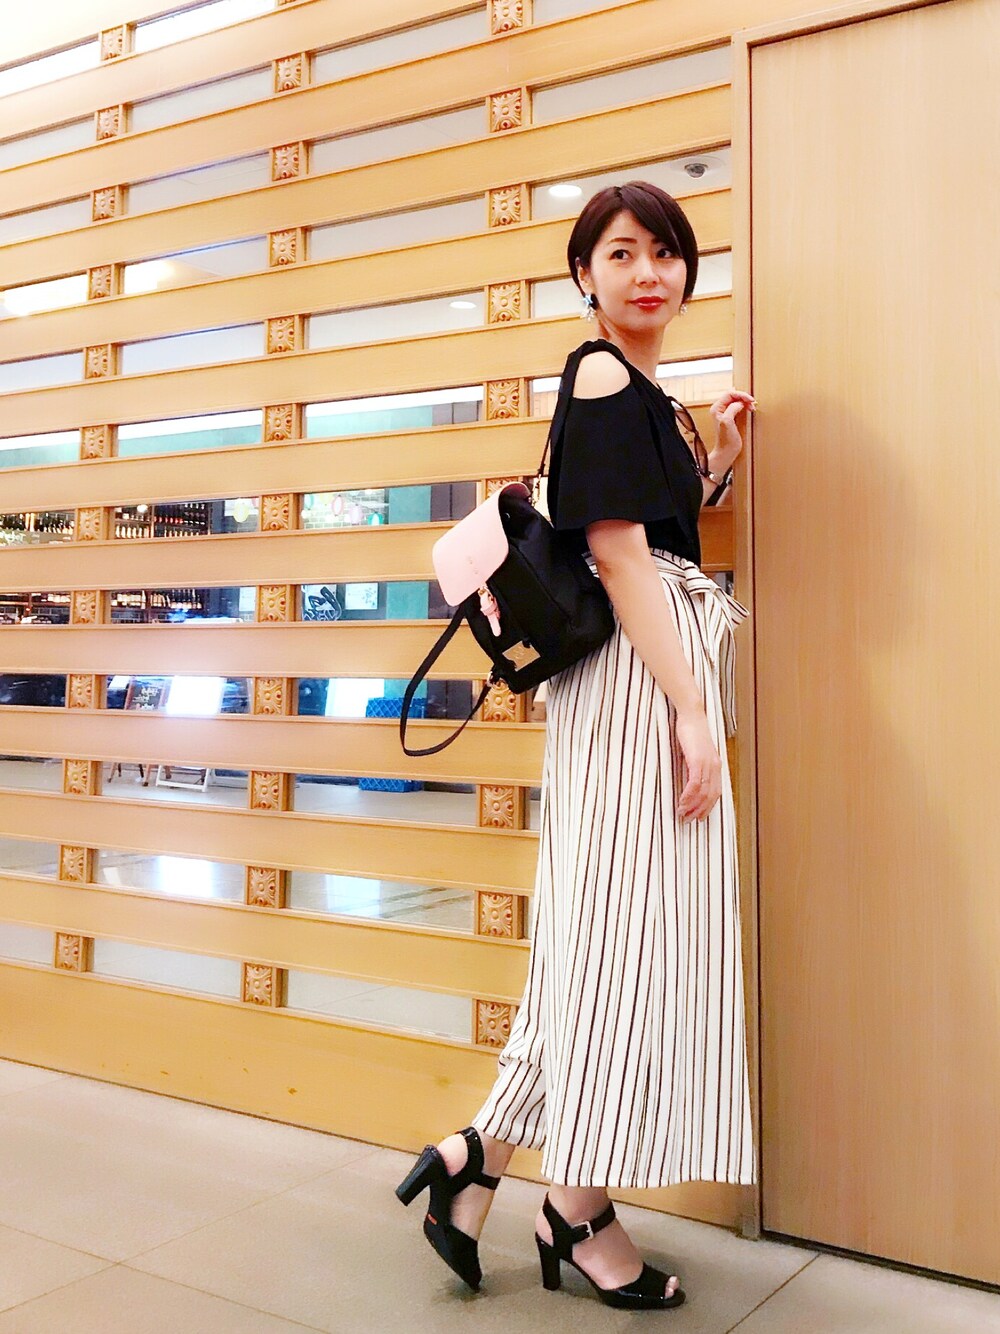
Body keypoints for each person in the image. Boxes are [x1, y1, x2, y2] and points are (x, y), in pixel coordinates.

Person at [396, 181, 756, 1310]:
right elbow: (616, 550)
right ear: (584, 276)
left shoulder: (644, 393)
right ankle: (576, 1208)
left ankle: (478, 1160)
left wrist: (718, 462)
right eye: (622, 253)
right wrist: (691, 710)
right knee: (619, 944)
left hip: (643, 677)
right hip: (639, 687)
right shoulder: (601, 376)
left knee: (600, 941)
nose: (648, 272)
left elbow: (651, 522)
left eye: (666, 252)